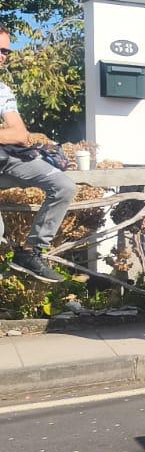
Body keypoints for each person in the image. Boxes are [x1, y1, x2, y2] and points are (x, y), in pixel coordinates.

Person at [0, 25, 74, 283]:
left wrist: (11, 135)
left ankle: (31, 252)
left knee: (63, 185)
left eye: (6, 51)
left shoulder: (3, 90)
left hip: (7, 162)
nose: (3, 56)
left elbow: (20, 134)